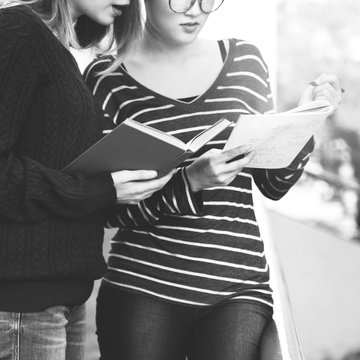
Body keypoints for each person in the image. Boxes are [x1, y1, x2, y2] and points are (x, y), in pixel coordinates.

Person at [85, 0, 343, 359]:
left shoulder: (245, 61)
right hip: (142, 289)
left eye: (208, 0)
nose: (195, 10)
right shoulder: (106, 77)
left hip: (238, 289)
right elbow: (108, 210)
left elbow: (274, 185)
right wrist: (189, 181)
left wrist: (305, 120)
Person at [0, 0, 225, 359]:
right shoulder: (15, 30)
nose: (125, 1)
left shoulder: (61, 49)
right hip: (22, 304)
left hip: (61, 299)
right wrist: (100, 190)